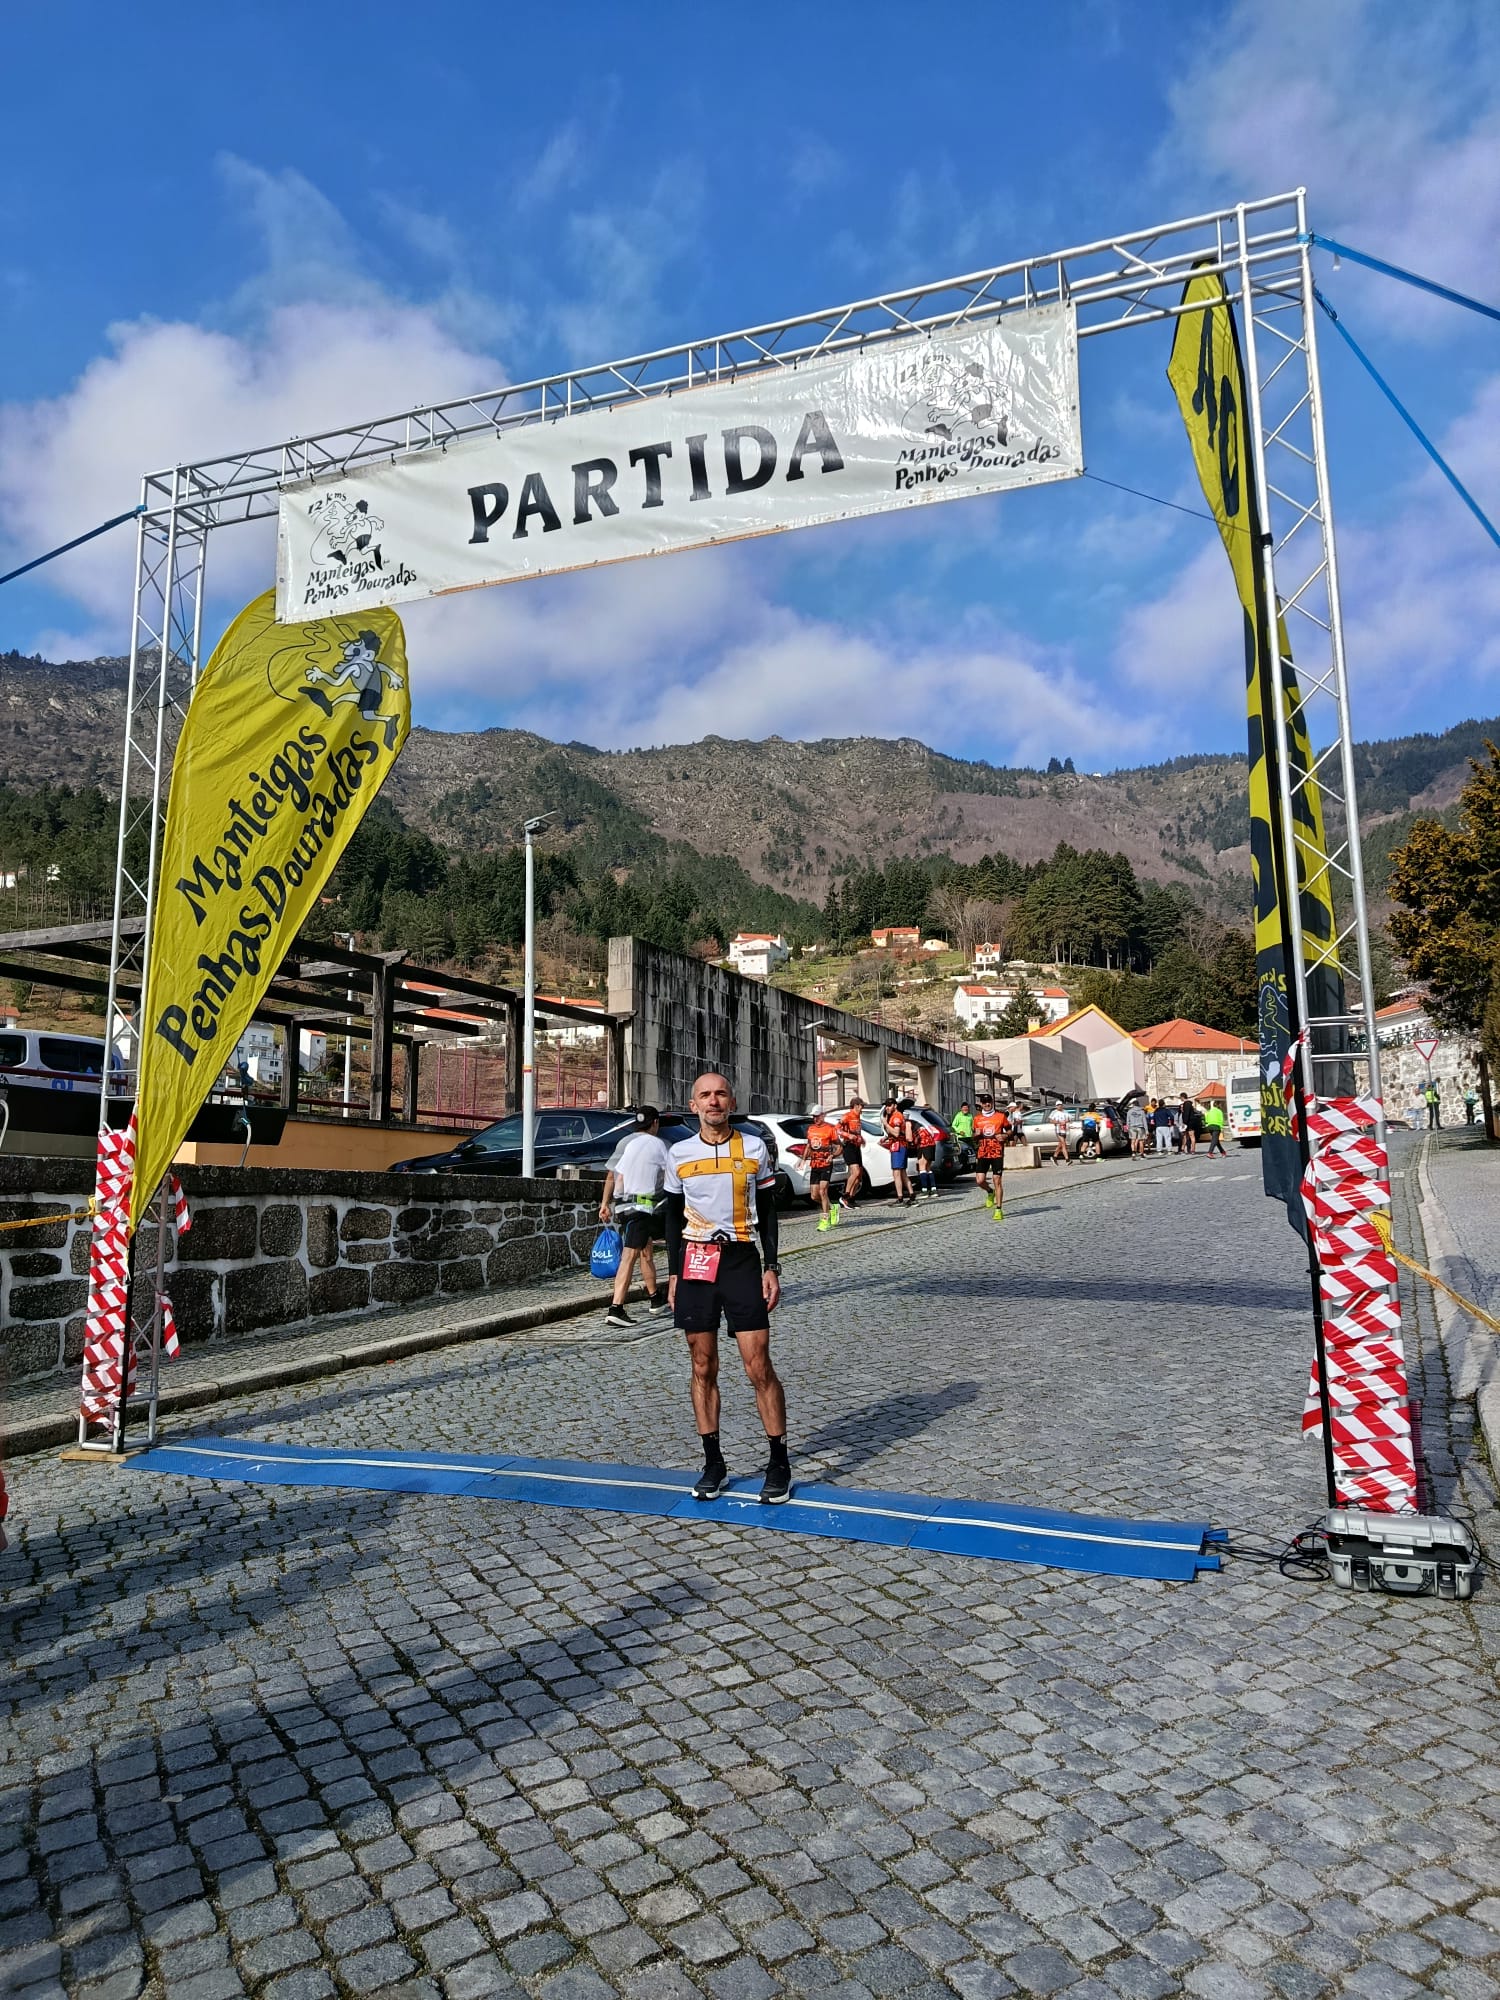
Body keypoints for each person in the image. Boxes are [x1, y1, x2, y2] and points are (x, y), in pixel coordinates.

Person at [664, 1072, 790, 1505]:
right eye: (705, 1095)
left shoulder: (753, 1147)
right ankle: (713, 1462)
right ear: (693, 1104)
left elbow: (769, 1210)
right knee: (702, 1365)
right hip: (696, 1261)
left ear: (731, 1102)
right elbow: (672, 1217)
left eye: (720, 1094)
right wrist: (674, 1273)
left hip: (740, 1259)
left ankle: (778, 1462)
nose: (713, 1101)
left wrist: (771, 1265)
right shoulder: (679, 1153)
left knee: (758, 1366)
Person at [602, 1107, 672, 1328]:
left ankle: (655, 1298)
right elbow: (671, 1174)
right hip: (641, 1207)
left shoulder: (627, 1143)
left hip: (624, 1206)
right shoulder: (659, 1144)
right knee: (630, 1255)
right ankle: (616, 1308)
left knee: (646, 1251)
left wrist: (605, 1203)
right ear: (655, 1123)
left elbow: (614, 1175)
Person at [806, 1108, 841, 1231]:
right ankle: (832, 1207)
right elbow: (809, 1146)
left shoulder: (830, 1129)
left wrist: (833, 1155)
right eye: (813, 1116)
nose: (815, 1119)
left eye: (817, 1116)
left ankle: (825, 1220)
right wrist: (803, 1159)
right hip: (814, 1165)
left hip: (826, 1164)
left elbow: (840, 1146)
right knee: (814, 1196)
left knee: (823, 1191)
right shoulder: (811, 1129)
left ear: (823, 1115)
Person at [973, 1095, 1007, 1213]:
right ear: (981, 1104)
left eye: (989, 1102)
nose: (987, 1104)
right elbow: (974, 1137)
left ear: (992, 1102)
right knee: (980, 1181)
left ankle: (998, 1209)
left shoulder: (1001, 1116)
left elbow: (1010, 1131)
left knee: (997, 1180)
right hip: (983, 1152)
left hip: (997, 1152)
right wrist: (976, 1135)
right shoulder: (977, 1119)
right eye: (984, 1102)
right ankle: (990, 1192)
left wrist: (1005, 1136)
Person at [837, 1098, 867, 1210]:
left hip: (856, 1147)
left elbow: (856, 1132)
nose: (862, 1108)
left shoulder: (858, 1117)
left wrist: (861, 1139)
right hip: (848, 1146)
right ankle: (844, 1196)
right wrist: (848, 1135)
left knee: (859, 1175)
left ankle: (851, 1198)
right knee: (855, 1172)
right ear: (856, 1106)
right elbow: (837, 1129)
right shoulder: (847, 1116)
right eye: (861, 1106)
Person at [882, 1098, 913, 1205]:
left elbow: (896, 1132)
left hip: (898, 1146)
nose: (887, 1108)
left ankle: (900, 1198)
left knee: (896, 1172)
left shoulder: (896, 1116)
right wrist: (886, 1138)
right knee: (902, 1172)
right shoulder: (894, 1116)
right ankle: (911, 1195)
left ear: (895, 1106)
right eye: (886, 1106)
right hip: (899, 1145)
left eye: (889, 1105)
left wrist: (886, 1124)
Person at [907, 1104, 938, 1200]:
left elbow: (909, 1138)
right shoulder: (917, 1123)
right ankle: (933, 1189)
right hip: (931, 1143)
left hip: (923, 1143)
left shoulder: (908, 1123)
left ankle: (924, 1190)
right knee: (928, 1167)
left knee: (922, 1166)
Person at [1051, 1101, 1070, 1165]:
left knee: (1061, 1144)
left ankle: (1054, 1157)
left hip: (1064, 1130)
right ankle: (1067, 1160)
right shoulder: (1055, 1113)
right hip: (1058, 1130)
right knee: (1063, 1144)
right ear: (1056, 1106)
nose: (1059, 1106)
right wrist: (1059, 1122)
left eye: (1060, 1105)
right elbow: (1051, 1120)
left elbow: (1069, 1119)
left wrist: (1066, 1121)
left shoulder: (1065, 1112)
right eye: (1058, 1105)